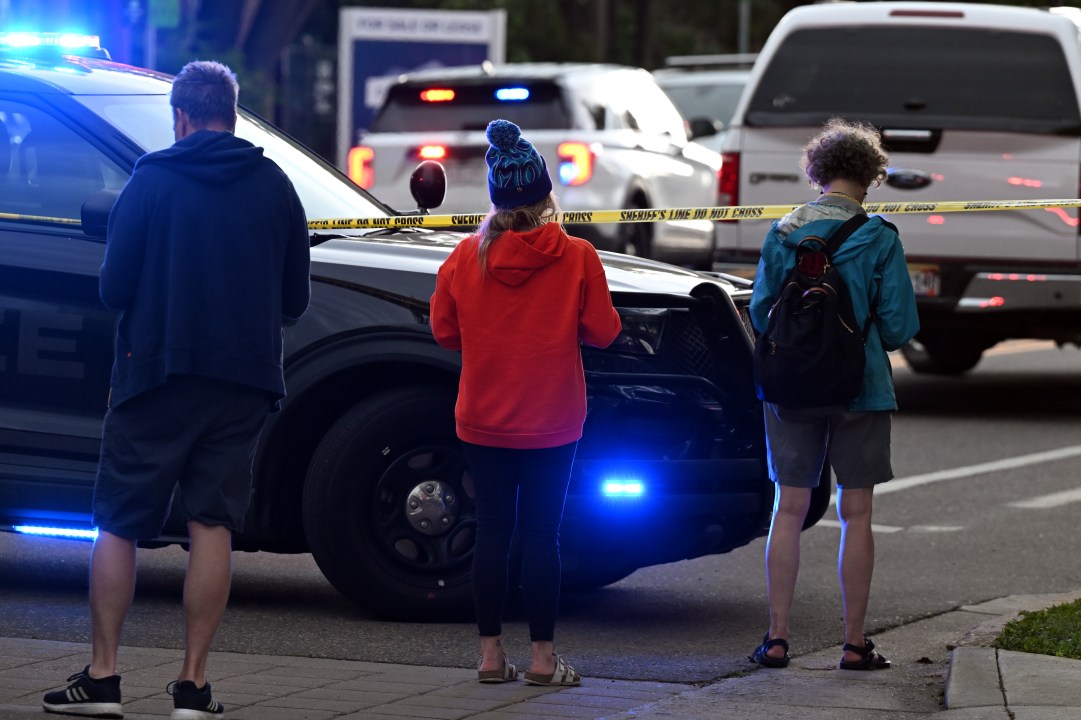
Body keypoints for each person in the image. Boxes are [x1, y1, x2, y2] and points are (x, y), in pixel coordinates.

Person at [43, 60, 311, 719]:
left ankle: (103, 678)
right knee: (211, 523)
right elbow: (294, 301)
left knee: (119, 521)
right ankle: (192, 687)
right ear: (232, 114)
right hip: (243, 381)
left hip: (156, 375)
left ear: (181, 116)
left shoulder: (152, 179)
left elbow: (113, 287)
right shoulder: (277, 185)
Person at [430, 119, 621, 687]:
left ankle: (491, 657)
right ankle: (542, 660)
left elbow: (444, 332)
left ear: (496, 199)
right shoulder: (578, 256)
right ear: (545, 197)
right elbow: (604, 331)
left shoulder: (465, 257)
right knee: (542, 536)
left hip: (482, 417)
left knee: (491, 531)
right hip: (553, 419)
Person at [747, 118, 919, 671]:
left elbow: (761, 313)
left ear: (817, 172)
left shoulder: (782, 233)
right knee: (857, 511)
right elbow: (899, 327)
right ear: (870, 176)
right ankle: (854, 643)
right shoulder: (880, 237)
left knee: (789, 506)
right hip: (860, 386)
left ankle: (777, 639)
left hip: (791, 386)